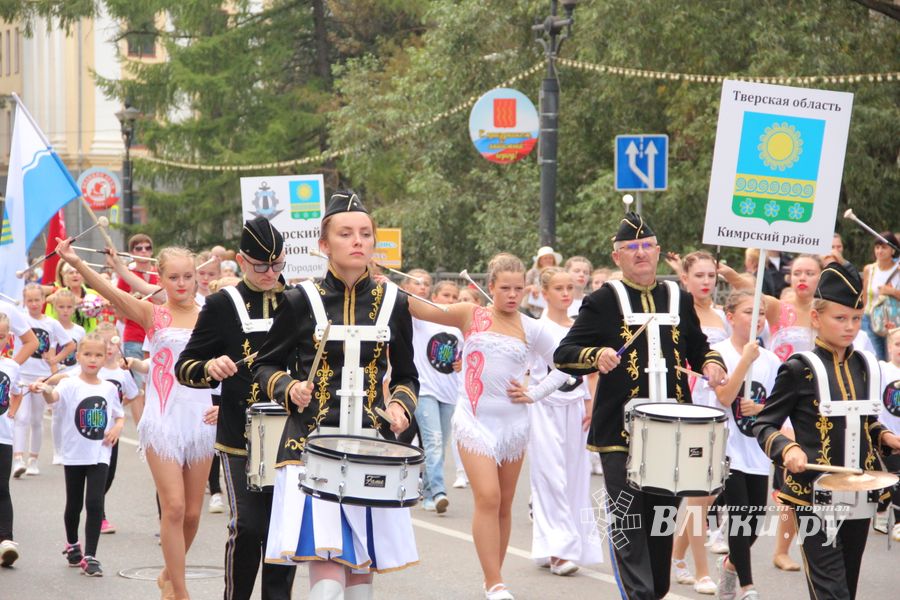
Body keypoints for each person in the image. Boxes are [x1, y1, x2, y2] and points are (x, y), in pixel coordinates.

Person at [553, 212, 727, 600]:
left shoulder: (678, 297)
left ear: (659, 252)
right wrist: (595, 354)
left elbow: (698, 348)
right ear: (617, 258)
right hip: (620, 433)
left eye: (646, 246)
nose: (640, 253)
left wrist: (712, 363)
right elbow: (563, 354)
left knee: (661, 525)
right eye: (631, 249)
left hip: (673, 432)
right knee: (629, 524)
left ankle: (654, 591)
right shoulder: (601, 301)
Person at [253, 191, 418, 600]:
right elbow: (264, 366)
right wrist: (290, 388)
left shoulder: (394, 302)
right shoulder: (298, 300)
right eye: (346, 234)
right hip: (310, 446)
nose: (358, 241)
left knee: (360, 585)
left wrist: (400, 405)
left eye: (365, 233)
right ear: (324, 245)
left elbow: (409, 376)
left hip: (371, 448)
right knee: (327, 585)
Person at [55, 238, 217, 600]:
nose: (181, 283)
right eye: (173, 277)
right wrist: (77, 262)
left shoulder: (212, 313)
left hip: (202, 422)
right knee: (173, 506)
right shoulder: (152, 313)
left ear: (195, 278)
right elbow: (111, 293)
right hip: (162, 421)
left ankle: (166, 573)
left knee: (192, 514)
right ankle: (180, 589)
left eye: (187, 276)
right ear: (161, 277)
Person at [408, 253, 570, 600]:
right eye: (505, 288)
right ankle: (495, 582)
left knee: (505, 503)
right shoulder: (471, 314)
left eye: (518, 289)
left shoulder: (532, 327)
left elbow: (566, 364)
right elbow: (421, 309)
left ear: (526, 290)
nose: (512, 295)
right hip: (474, 421)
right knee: (488, 496)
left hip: (513, 426)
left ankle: (492, 577)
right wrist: (387, 287)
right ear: (490, 287)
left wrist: (535, 392)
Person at [753, 262, 900, 600]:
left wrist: (883, 436)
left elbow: (863, 422)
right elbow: (764, 424)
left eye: (855, 319)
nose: (849, 327)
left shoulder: (865, 366)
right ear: (817, 318)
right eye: (840, 318)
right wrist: (787, 449)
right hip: (813, 495)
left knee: (844, 587)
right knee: (831, 590)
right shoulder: (797, 370)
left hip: (860, 491)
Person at [176, 217, 297, 600]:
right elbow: (185, 366)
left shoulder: (299, 301)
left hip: (290, 436)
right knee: (248, 527)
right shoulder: (220, 305)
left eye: (278, 265)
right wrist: (210, 368)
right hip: (239, 436)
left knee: (282, 530)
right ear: (242, 260)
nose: (270, 273)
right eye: (262, 266)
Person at [528, 267, 602, 576]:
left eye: (569, 287)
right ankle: (558, 550)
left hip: (575, 408)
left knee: (575, 476)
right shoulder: (535, 328)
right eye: (558, 288)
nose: (565, 293)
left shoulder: (579, 328)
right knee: (550, 477)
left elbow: (591, 371)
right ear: (544, 293)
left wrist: (590, 404)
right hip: (544, 408)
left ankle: (555, 546)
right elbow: (525, 369)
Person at [31, 333, 124, 577]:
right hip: (74, 452)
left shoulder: (108, 388)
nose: (93, 359)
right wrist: (44, 389)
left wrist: (116, 428)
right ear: (79, 356)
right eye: (88, 354)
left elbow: (119, 414)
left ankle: (91, 556)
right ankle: (72, 544)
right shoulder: (69, 383)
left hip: (100, 452)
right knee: (74, 503)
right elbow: (53, 398)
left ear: (105, 358)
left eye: (98, 355)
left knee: (94, 502)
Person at [710, 291, 781, 600]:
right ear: (730, 316)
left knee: (754, 522)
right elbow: (724, 398)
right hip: (728, 448)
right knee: (740, 517)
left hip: (757, 451)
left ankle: (729, 564)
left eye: (761, 314)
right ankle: (748, 587)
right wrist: (745, 361)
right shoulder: (718, 352)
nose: (757, 319)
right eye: (749, 312)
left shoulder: (772, 360)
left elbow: (778, 406)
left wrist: (761, 409)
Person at [668, 250, 730, 594]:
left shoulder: (723, 315)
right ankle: (702, 570)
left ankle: (675, 559)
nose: (706, 282)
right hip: (693, 406)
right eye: (700, 276)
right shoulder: (679, 314)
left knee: (707, 492)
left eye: (711, 276)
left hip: (722, 406)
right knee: (698, 490)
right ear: (685, 279)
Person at [404, 274, 462, 514]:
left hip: (450, 393)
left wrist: (462, 362)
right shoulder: (421, 320)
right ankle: (438, 492)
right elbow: (406, 301)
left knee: (439, 444)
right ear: (434, 297)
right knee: (434, 441)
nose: (451, 300)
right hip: (425, 390)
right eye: (446, 295)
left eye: (455, 297)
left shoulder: (459, 325)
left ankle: (428, 494)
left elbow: (467, 355)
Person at [13, 284, 74, 477]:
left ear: (43, 301)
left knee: (36, 420)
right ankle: (18, 459)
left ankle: (33, 460)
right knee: (21, 418)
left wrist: (55, 359)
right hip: (21, 374)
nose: (33, 304)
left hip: (42, 376)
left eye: (37, 300)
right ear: (25, 301)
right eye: (29, 300)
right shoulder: (20, 318)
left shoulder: (52, 324)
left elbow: (70, 345)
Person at [116, 233, 159, 424]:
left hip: (156, 334)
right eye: (138, 248)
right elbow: (118, 308)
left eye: (147, 247)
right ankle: (143, 432)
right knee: (138, 386)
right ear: (132, 252)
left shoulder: (160, 274)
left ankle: (154, 423)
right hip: (134, 334)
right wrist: (131, 302)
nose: (144, 251)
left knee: (154, 383)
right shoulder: (127, 276)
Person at [0, 313, 23, 566]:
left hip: (3, 437)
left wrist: (13, 411)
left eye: (1, 337)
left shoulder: (11, 367)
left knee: (2, 488)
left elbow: (16, 393)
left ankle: (6, 541)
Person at [877, 327, 900, 541]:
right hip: (886, 433)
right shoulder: (883, 370)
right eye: (897, 344)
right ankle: (890, 516)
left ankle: (887, 516)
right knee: (892, 476)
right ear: (889, 347)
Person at [861, 231, 900, 360]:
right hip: (870, 319)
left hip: (893, 320)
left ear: (892, 250)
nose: (879, 251)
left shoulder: (898, 270)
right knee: (875, 357)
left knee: (892, 358)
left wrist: (892, 292)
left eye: (884, 247)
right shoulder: (869, 269)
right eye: (877, 247)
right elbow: (864, 294)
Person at [523, 246, 561, 317]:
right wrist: (531, 287)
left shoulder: (559, 272)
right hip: (534, 309)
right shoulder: (532, 272)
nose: (548, 260)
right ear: (540, 260)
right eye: (545, 258)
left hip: (554, 307)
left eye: (550, 258)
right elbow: (522, 288)